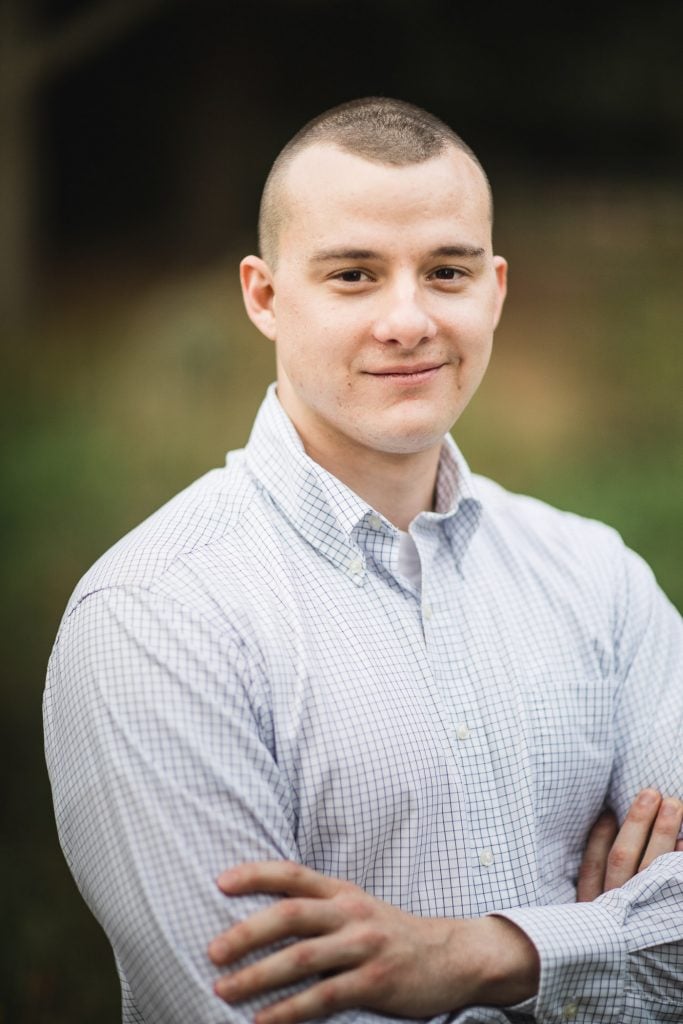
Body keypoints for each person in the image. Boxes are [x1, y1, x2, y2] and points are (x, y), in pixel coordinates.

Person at [43, 98, 683, 1024]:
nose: (408, 320)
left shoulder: (598, 578)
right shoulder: (152, 614)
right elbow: (251, 1010)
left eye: (446, 271)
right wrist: (598, 946)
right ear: (264, 296)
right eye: (353, 274)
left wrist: (484, 955)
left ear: (494, 288)